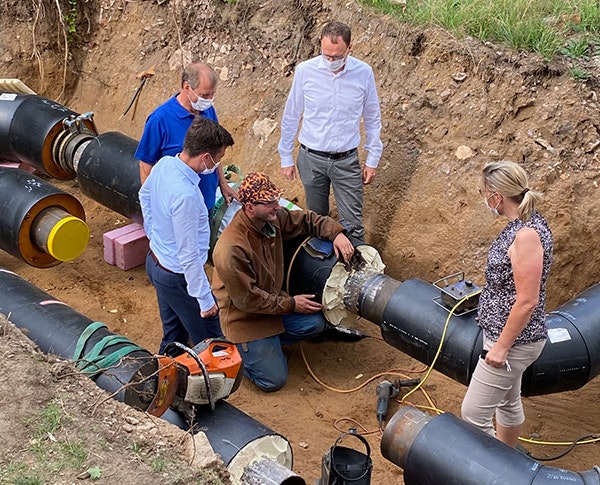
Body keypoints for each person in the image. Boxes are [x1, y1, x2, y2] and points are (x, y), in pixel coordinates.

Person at [211, 172, 355, 392]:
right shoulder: (231, 249)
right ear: (249, 207)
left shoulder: (272, 218)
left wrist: (335, 233)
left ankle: (268, 345)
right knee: (274, 381)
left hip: (273, 306)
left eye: (276, 199)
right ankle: (241, 350)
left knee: (315, 324)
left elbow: (307, 220)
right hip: (246, 319)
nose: (276, 206)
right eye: (269, 202)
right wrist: (292, 305)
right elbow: (248, 301)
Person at [461, 160, 553, 447]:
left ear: (497, 197)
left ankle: (499, 471)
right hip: (510, 337)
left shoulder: (525, 235)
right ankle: (510, 460)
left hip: (513, 342)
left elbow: (527, 300)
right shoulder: (526, 223)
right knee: (508, 403)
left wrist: (501, 347)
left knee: (473, 414)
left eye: (484, 192)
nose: (484, 198)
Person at [278, 21, 383, 244]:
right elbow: (291, 115)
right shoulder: (306, 71)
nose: (331, 61)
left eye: (337, 56)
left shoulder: (363, 73)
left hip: (346, 161)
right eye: (327, 55)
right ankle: (321, 271)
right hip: (311, 158)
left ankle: (357, 271)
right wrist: (285, 155)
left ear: (349, 48)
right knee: (316, 220)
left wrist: (373, 158)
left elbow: (373, 117)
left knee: (353, 224)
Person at [139, 117, 234, 356]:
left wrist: (154, 236)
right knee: (212, 346)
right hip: (178, 277)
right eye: (218, 158)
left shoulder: (164, 165)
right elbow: (189, 256)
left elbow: (144, 195)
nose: (218, 164)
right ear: (205, 157)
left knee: (175, 336)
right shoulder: (186, 196)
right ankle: (210, 391)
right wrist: (205, 301)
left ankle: (163, 380)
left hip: (157, 262)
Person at [135, 62, 237, 214]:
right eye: (204, 95)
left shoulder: (208, 110)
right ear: (187, 87)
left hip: (206, 202)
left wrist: (223, 183)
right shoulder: (160, 119)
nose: (209, 100)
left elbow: (216, 151)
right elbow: (145, 166)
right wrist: (155, 206)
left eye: (212, 95)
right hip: (178, 207)